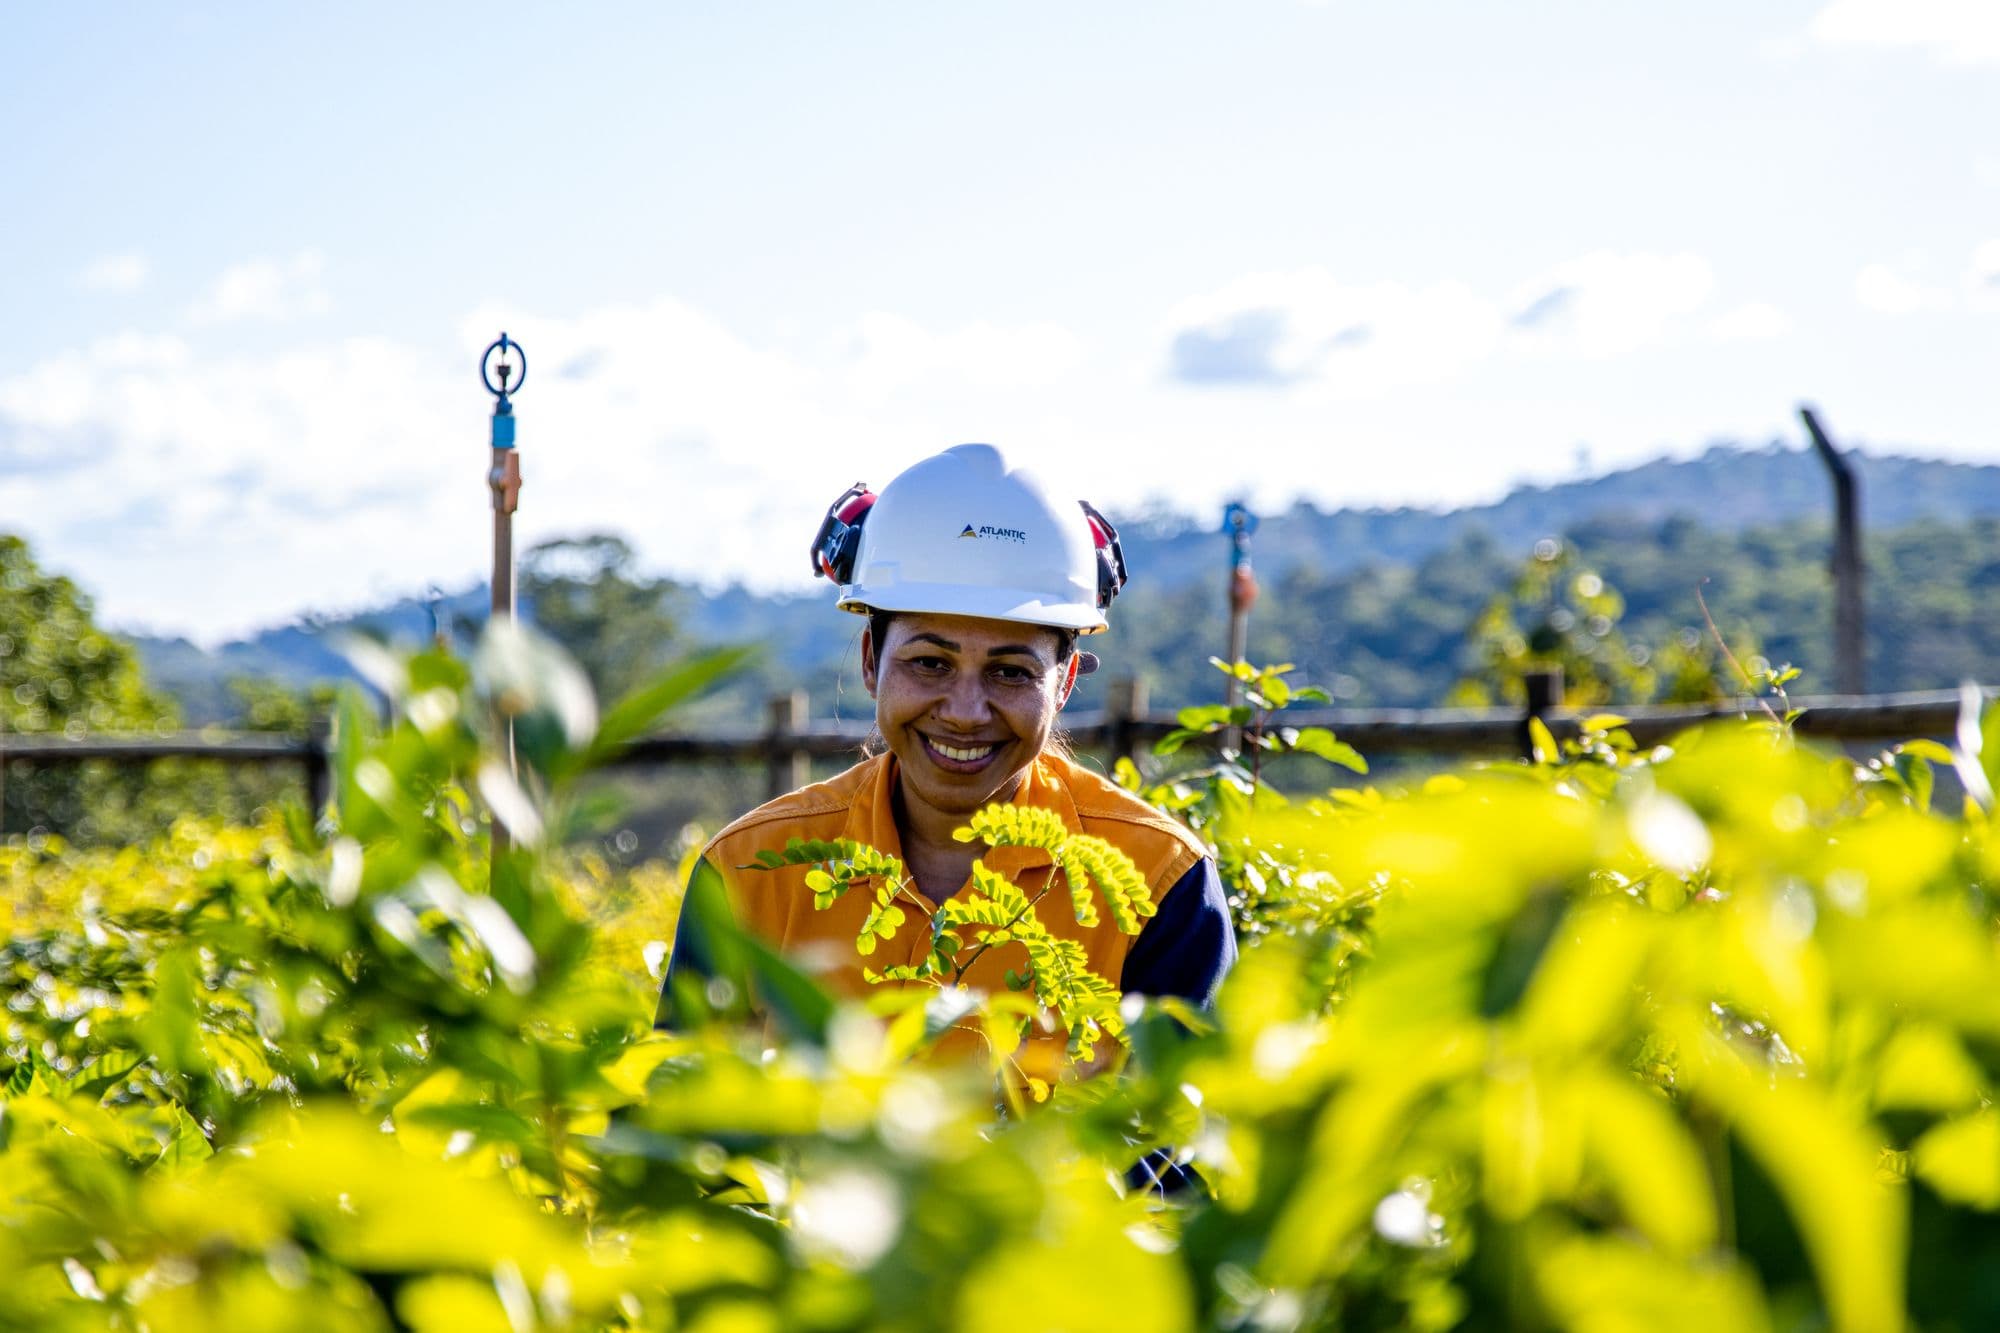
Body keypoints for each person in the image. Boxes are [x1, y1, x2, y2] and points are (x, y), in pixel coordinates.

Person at [658, 444, 1236, 1074]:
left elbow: (1181, 1148)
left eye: (1011, 672)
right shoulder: (751, 870)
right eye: (930, 663)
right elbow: (679, 1127)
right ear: (871, 661)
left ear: (1064, 681)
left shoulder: (1159, 880)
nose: (965, 710)